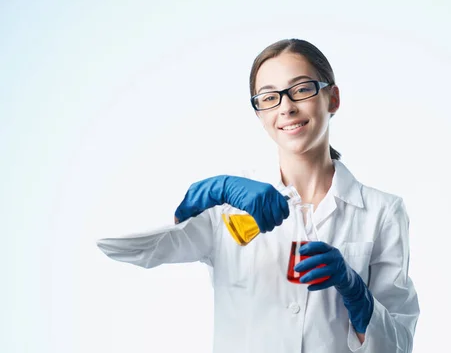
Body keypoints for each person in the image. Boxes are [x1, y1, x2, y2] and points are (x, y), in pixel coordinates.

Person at [96, 38, 420, 353]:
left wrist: (356, 293)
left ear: (332, 99)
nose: (287, 107)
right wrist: (205, 196)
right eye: (269, 98)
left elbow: (398, 346)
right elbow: (126, 248)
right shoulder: (227, 207)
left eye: (302, 89)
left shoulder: (383, 211)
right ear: (259, 115)